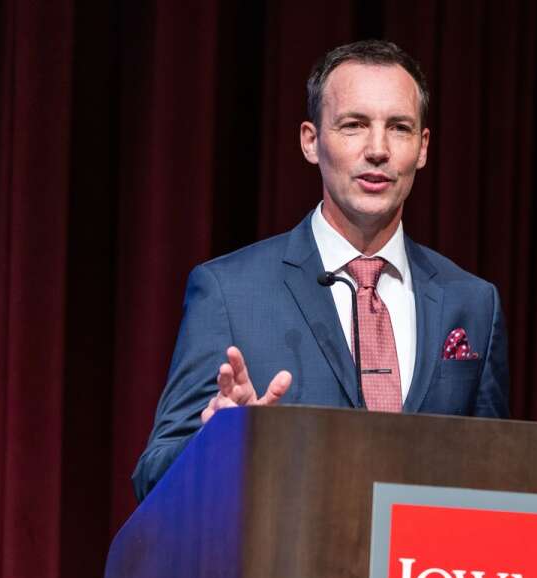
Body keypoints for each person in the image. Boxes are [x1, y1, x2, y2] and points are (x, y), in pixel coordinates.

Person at [131, 40, 509, 501]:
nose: (378, 150)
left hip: (421, 571)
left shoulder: (471, 302)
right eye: (353, 126)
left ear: (423, 147)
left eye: (399, 128)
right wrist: (217, 446)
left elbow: (496, 484)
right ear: (311, 141)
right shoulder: (229, 291)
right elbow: (153, 475)